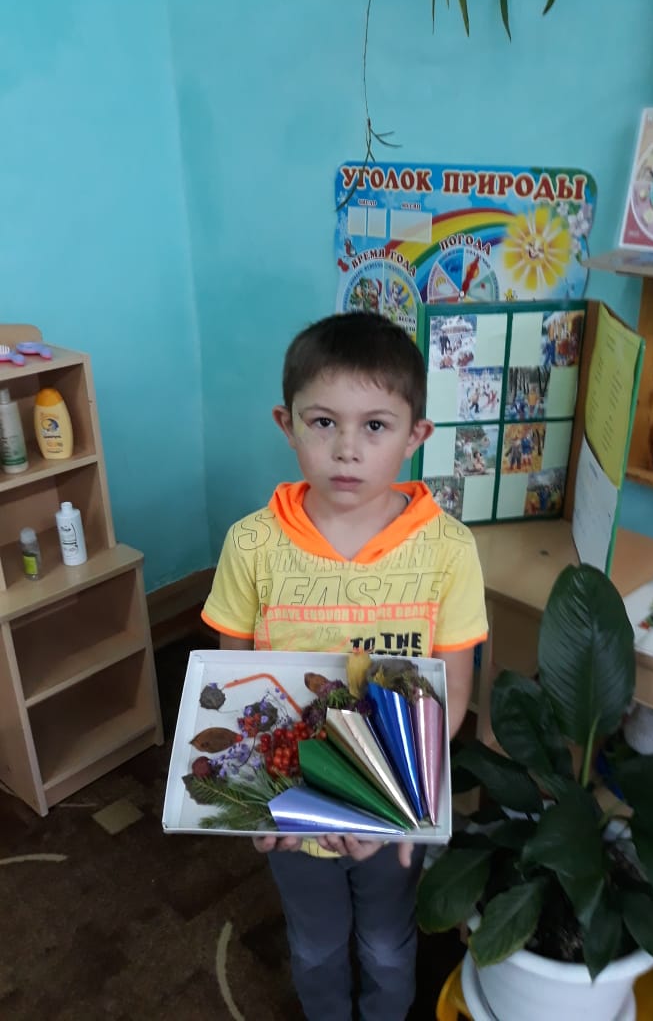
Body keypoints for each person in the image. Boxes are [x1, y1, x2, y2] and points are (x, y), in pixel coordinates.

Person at [201, 312, 488, 1021]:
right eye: (323, 422)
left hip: (392, 798)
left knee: (388, 945)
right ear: (287, 423)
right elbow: (229, 684)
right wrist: (256, 798)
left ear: (416, 435)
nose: (347, 449)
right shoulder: (252, 545)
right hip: (290, 801)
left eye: (376, 426)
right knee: (317, 944)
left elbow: (452, 691)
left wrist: (389, 805)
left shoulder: (449, 549)